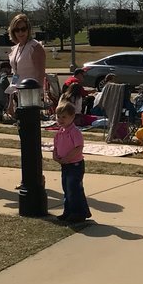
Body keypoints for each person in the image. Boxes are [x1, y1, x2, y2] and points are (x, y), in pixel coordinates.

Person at [52, 94, 91, 226]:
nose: (61, 120)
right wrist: (55, 155)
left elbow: (78, 147)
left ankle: (77, 213)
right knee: (66, 188)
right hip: (65, 165)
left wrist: (67, 158)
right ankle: (68, 211)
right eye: (59, 117)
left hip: (75, 165)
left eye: (64, 117)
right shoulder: (59, 132)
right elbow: (56, 147)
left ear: (72, 117)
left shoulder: (75, 132)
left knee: (73, 188)